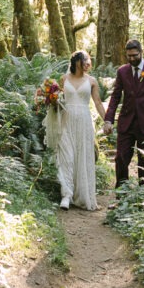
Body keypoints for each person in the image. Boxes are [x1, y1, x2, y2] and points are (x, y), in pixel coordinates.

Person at [103, 39, 144, 188]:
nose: (132, 59)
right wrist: (108, 119)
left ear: (141, 52)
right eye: (129, 56)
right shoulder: (122, 71)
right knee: (121, 159)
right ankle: (121, 195)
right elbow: (115, 97)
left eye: (135, 55)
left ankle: (143, 200)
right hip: (126, 124)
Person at [56, 49, 107, 211]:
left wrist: (107, 121)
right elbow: (58, 99)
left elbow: (98, 102)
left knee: (82, 156)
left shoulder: (91, 81)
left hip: (84, 122)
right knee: (67, 156)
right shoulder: (64, 79)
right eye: (84, 60)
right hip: (66, 120)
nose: (87, 63)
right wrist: (48, 99)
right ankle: (66, 195)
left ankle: (82, 194)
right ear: (75, 61)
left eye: (88, 60)